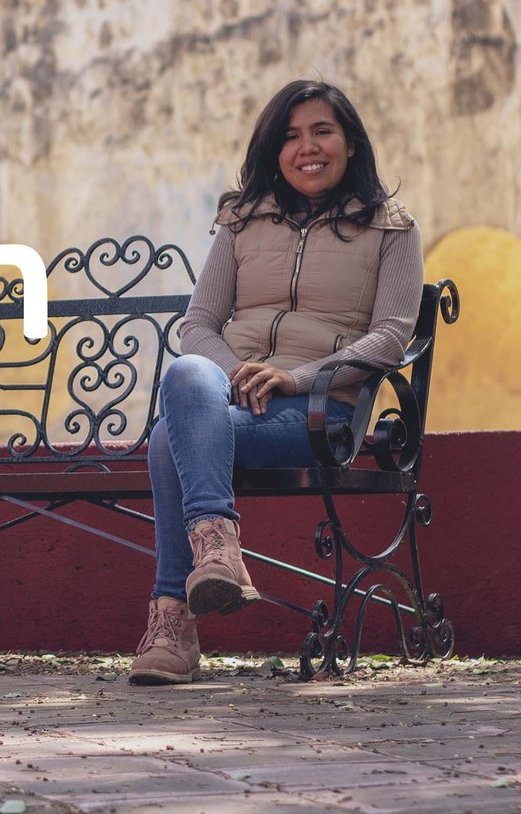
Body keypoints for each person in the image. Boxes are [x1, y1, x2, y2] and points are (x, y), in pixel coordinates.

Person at [127, 79, 423, 685]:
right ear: (272, 150)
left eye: (322, 132)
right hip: (231, 404)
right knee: (187, 374)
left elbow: (392, 335)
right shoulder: (241, 221)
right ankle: (217, 552)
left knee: (165, 442)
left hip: (320, 414)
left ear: (349, 143)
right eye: (290, 137)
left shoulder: (392, 228)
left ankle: (174, 622)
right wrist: (235, 378)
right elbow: (200, 326)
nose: (306, 148)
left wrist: (294, 377)